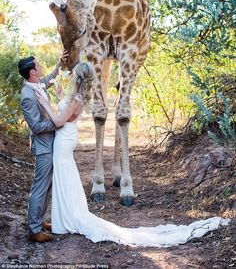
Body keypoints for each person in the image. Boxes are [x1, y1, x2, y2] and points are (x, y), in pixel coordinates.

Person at [36, 61, 230, 247]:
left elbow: (59, 120)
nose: (70, 75)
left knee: (65, 175)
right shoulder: (75, 96)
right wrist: (56, 94)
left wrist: (44, 104)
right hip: (64, 139)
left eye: (73, 72)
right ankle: (63, 218)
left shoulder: (76, 99)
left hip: (64, 139)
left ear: (77, 76)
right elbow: (63, 111)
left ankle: (68, 218)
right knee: (65, 176)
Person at [18, 50, 69, 243]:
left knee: (47, 186)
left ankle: (39, 221)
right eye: (38, 65)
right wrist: (58, 121)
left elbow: (48, 80)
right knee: (40, 187)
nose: (40, 67)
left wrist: (59, 64)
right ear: (32, 72)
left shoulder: (36, 85)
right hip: (42, 147)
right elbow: (36, 126)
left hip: (49, 144)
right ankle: (33, 229)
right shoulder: (28, 96)